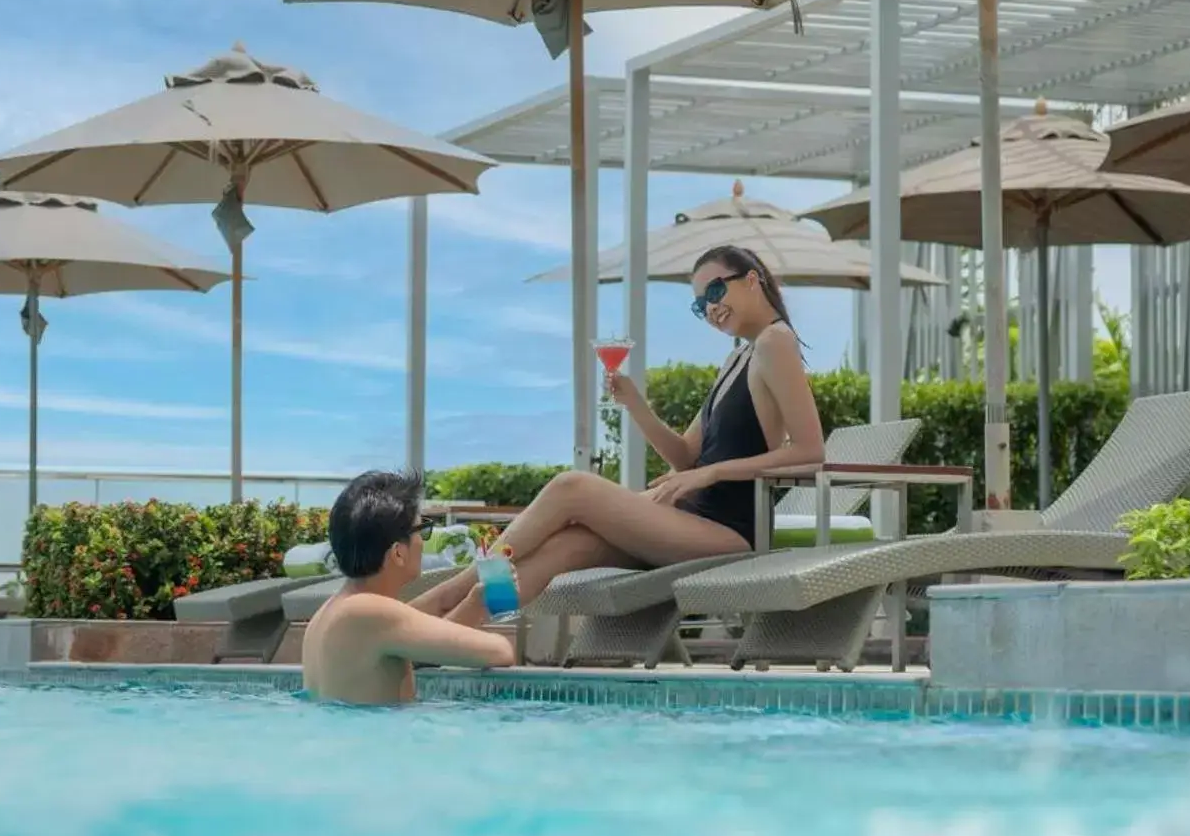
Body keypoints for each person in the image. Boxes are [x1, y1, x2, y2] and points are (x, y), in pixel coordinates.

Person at [411, 245, 824, 629]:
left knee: (572, 486)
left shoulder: (776, 342)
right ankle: (458, 627)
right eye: (701, 304)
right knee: (567, 547)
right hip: (689, 520)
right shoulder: (738, 356)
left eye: (716, 290)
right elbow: (684, 457)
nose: (712, 307)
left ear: (752, 279)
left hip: (728, 531)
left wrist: (710, 474)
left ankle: (449, 592)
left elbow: (810, 451)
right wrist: (636, 406)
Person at [301, 469, 515, 705]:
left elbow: (426, 642)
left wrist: (475, 603)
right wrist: (479, 603)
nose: (422, 542)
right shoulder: (367, 611)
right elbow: (501, 651)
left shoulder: (327, 614)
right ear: (398, 553)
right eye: (421, 530)